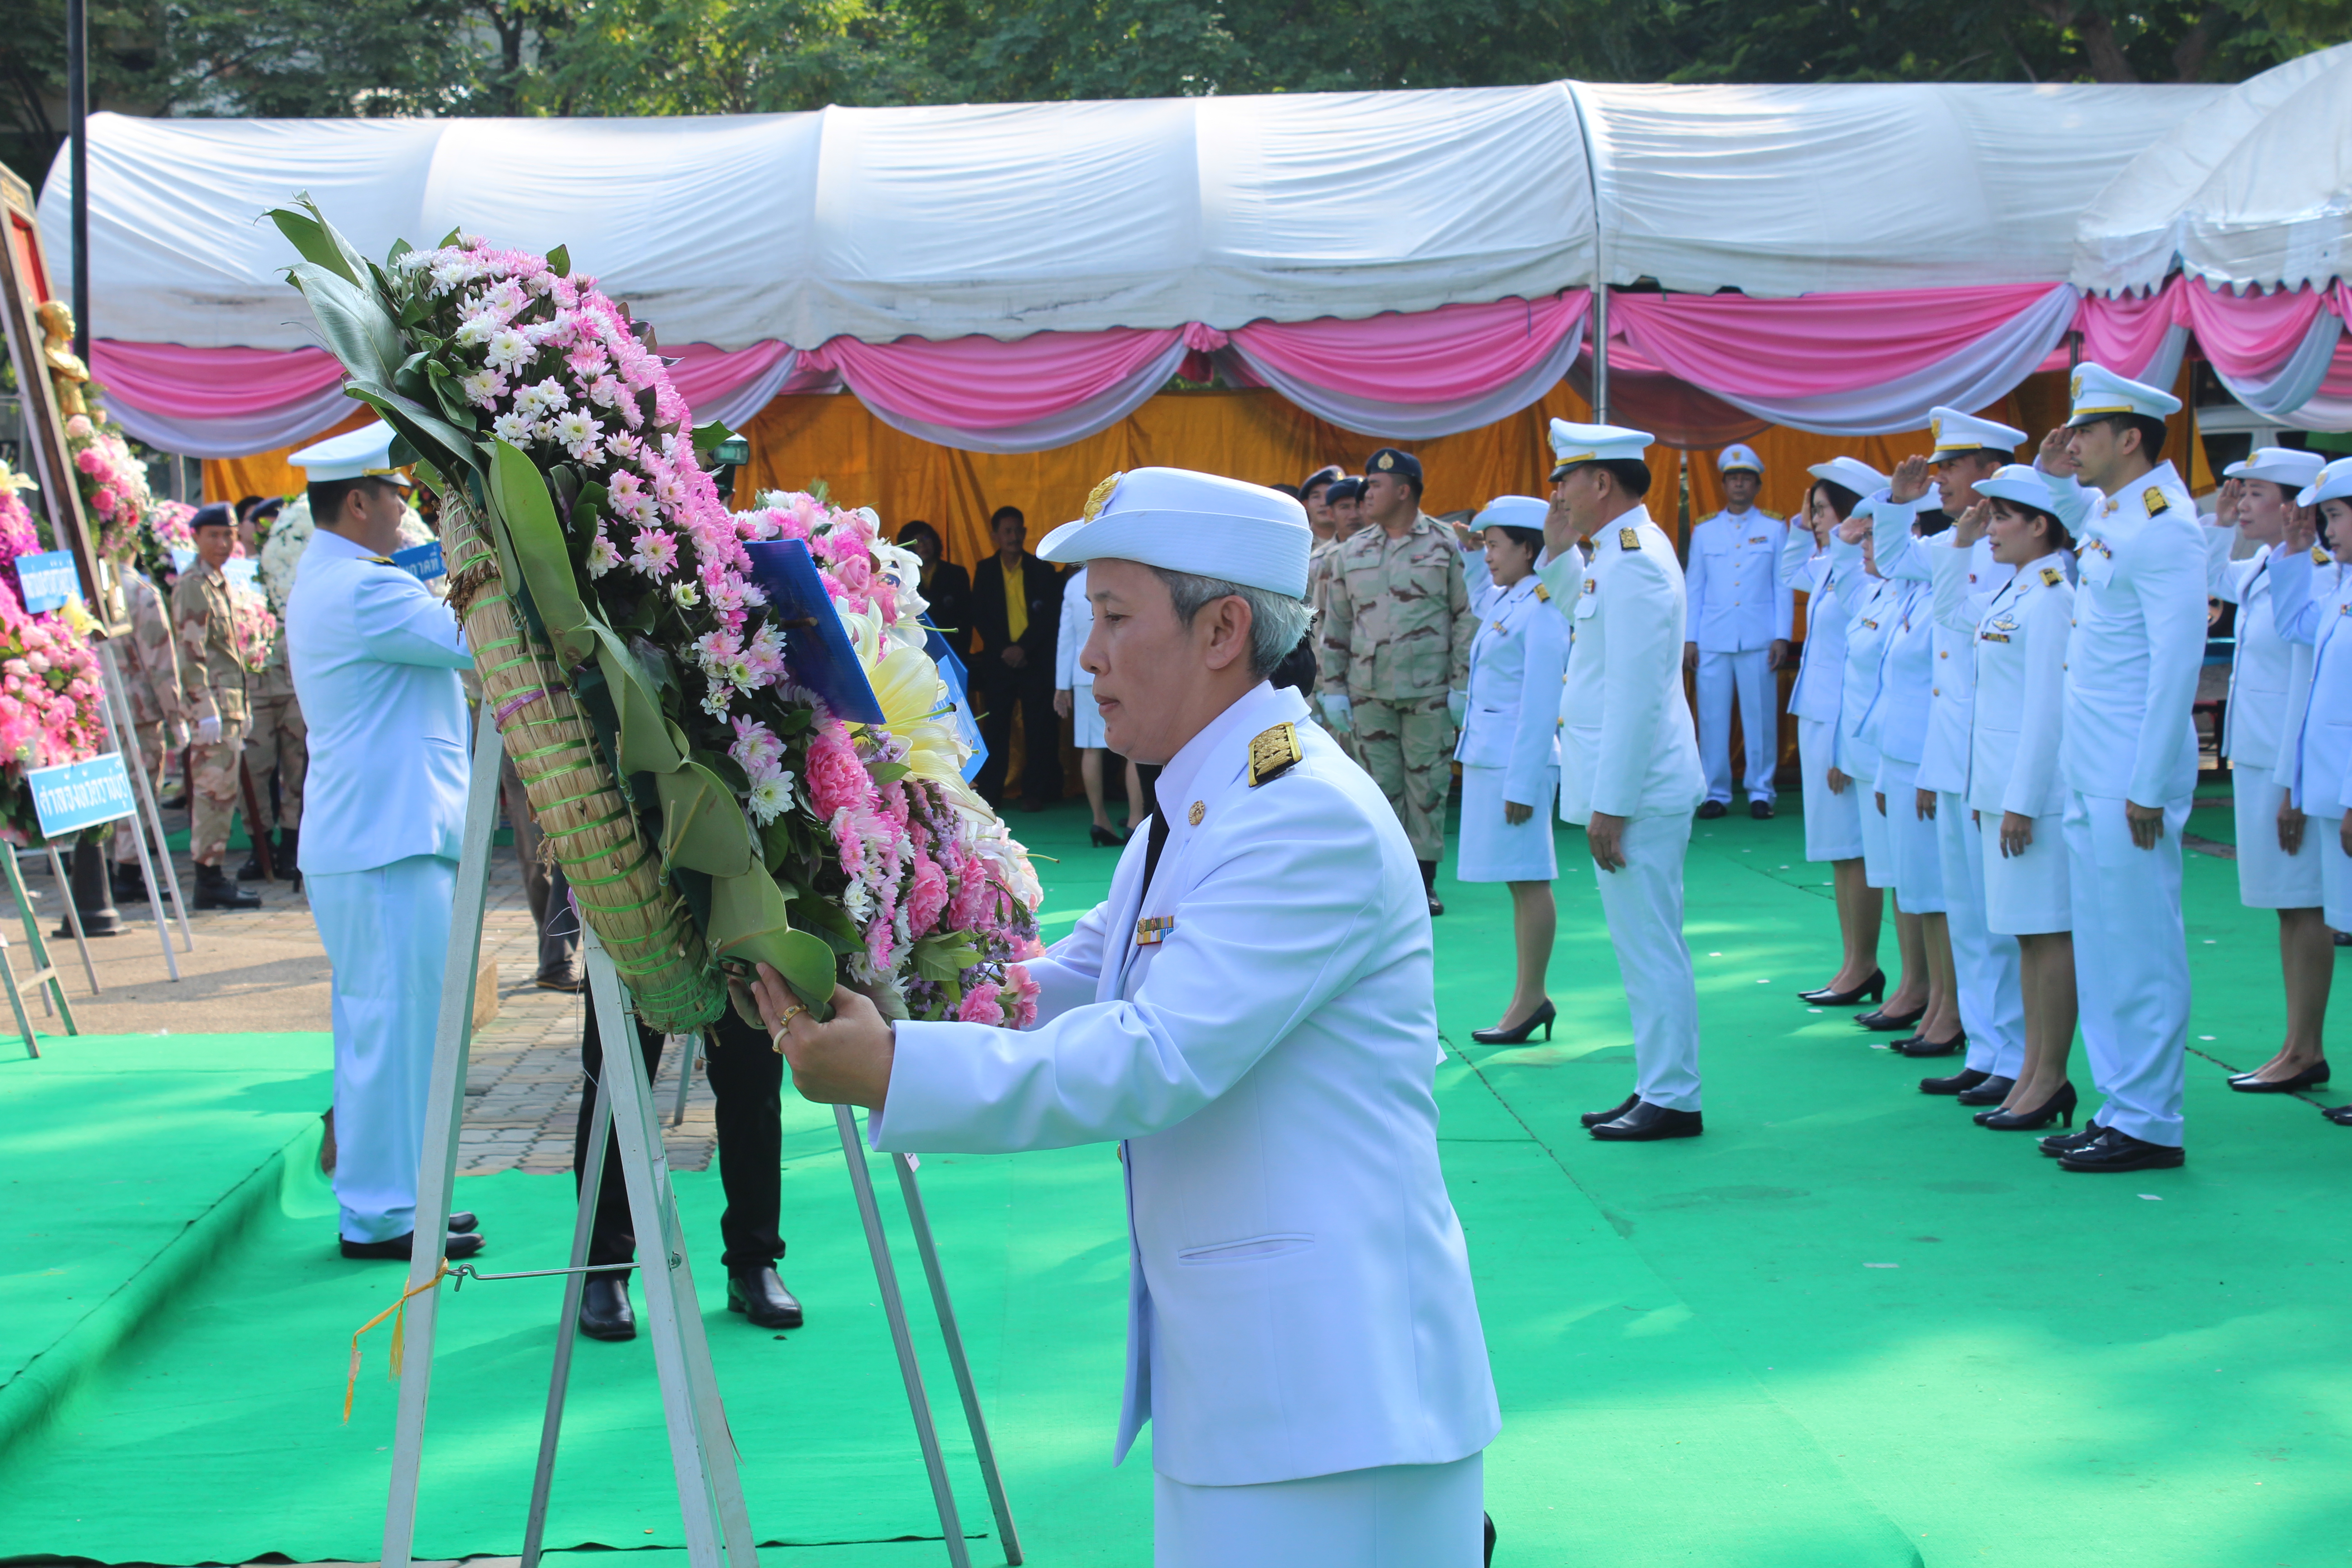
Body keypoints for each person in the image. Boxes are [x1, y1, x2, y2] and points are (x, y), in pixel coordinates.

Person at [753, 466, 1499, 1567]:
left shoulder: (1299, 816)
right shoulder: (1203, 800)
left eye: (1111, 616)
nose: (1088, 654)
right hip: (1260, 1388)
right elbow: (1060, 982)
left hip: (1338, 1403)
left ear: (1224, 630)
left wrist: (892, 1066)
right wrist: (879, 958)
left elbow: (1151, 1057)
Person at [284, 423, 484, 1261]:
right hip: (382, 840)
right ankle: (377, 1212)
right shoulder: (362, 588)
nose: (409, 514)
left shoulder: (346, 578)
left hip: (383, 836)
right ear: (358, 500)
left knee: (403, 1030)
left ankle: (407, 1196)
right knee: (385, 1029)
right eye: (401, 498)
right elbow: (479, 642)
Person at [2032, 365, 2205, 1174]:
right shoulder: (2116, 509)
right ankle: (2119, 1105)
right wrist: (2048, 472)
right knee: (2101, 945)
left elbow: (2176, 664)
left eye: (2085, 434)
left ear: (2128, 438)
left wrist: (2145, 782)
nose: (2072, 444)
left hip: (2127, 775)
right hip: (2090, 765)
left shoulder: (2166, 526)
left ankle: (2150, 1120)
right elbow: (2076, 516)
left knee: (2138, 946)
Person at [1536, 420, 1708, 1141]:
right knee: (1641, 945)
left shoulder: (1634, 561)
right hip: (1633, 786)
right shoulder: (1615, 552)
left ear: (1600, 482)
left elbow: (1637, 692)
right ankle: (1657, 1085)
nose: (1557, 492)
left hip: (1639, 791)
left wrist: (1611, 805)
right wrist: (1554, 552)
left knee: (1650, 945)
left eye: (1565, 479)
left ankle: (1673, 1096)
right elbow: (1589, 619)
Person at [1873, 414, 2030, 1098]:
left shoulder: (2024, 546)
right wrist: (1898, 502)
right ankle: (1990, 1051)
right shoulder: (1953, 542)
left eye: (1950, 467)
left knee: (2005, 918)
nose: (1936, 477)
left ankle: (2019, 1055)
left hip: (1997, 753)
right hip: (1953, 753)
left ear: (1989, 474)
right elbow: (1889, 556)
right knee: (1967, 913)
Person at [1950, 471, 2084, 1131]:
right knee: (2027, 937)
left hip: (2033, 798)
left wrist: (2023, 800)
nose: (1991, 527)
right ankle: (2032, 1071)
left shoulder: (2053, 595)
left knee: (2047, 932)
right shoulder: (2018, 587)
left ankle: (2049, 1076)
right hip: (2001, 790)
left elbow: (2046, 710)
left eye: (2002, 516)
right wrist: (1989, 791)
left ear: (2041, 524)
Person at [2207, 450, 2332, 1092]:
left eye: (2255, 493)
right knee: (2289, 908)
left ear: (2294, 506)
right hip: (2258, 761)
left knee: (2304, 905)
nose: (2243, 502)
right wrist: (2222, 521)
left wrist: (2293, 786)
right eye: (2240, 491)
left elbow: (2310, 687)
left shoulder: (2313, 573)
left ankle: (2305, 1049)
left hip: (2290, 770)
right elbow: (2203, 574)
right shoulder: (2263, 563)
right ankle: (2296, 1045)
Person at [572, 1008, 803, 1338]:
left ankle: (754, 1262)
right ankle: (604, 1270)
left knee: (754, 1086)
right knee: (613, 1092)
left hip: (735, 959)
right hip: (624, 958)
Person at [1316, 448, 1473, 915]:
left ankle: (1424, 884)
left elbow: (1464, 616)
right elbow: (1336, 623)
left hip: (1429, 692)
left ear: (1404, 490)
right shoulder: (1352, 552)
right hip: (1368, 694)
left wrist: (1461, 684)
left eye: (1377, 485)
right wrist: (1334, 688)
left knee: (1427, 789)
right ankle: (1387, 879)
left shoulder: (1445, 544)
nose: (1367, 492)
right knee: (1377, 789)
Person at [1455, 497, 1568, 1045]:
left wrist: (1523, 782)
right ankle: (1529, 996)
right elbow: (1480, 598)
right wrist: (1472, 553)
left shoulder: (1545, 607)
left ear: (1530, 549)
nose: (1490, 554)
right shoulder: (1511, 601)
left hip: (1515, 764)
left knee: (1529, 879)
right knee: (1518, 879)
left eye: (1496, 545)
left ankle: (1532, 998)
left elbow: (1542, 701)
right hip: (1491, 759)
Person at [1859, 481, 1961, 1056]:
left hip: (1926, 760)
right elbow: (1892, 689)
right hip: (1898, 758)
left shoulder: (1939, 594)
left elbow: (1943, 689)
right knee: (1918, 889)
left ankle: (1949, 1005)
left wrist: (1929, 766)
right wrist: (1882, 771)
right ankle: (1931, 996)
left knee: (1939, 894)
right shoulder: (1909, 595)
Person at [2266, 457, 2352, 1123]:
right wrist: (2296, 553)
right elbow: (2295, 626)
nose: (2330, 529)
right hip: (2328, 791)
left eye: (2337, 516)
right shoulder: (2342, 588)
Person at [1784, 459, 1886, 1009]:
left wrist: (1847, 742)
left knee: (1855, 850)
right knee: (1839, 851)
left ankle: (1864, 963)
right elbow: (1789, 573)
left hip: (1845, 722)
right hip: (1821, 716)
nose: (1816, 519)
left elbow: (1860, 663)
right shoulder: (1831, 564)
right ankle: (1853, 961)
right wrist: (1802, 527)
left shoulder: (1865, 571)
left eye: (1822, 509)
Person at [1684, 444, 1792, 819]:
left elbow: (1783, 585)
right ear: (1724, 485)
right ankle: (1715, 792)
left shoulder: (1775, 528)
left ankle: (1761, 792)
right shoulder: (1705, 529)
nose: (1739, 484)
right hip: (1713, 637)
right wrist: (1690, 638)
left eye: (1746, 478)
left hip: (1759, 638)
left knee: (1760, 717)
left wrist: (1783, 635)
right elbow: (1694, 586)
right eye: (1733, 479)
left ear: (1757, 485)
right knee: (1712, 719)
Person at [172, 503, 262, 911]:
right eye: (214, 535)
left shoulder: (218, 581)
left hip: (229, 706)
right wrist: (203, 707)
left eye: (228, 535)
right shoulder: (193, 583)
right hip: (212, 708)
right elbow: (190, 652)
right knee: (212, 795)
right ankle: (208, 880)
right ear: (195, 537)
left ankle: (213, 876)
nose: (224, 543)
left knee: (223, 795)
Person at [970, 505, 1064, 811]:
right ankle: (991, 792)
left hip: (1034, 660)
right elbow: (980, 616)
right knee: (997, 728)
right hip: (999, 662)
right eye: (1007, 531)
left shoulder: (1042, 570)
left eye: (1018, 530)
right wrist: (1005, 649)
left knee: (1039, 728)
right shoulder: (985, 570)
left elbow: (1049, 617)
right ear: (995, 536)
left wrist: (1023, 648)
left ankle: (1036, 792)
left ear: (1025, 533)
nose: (1013, 537)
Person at [108, 561, 188, 904]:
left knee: (109, 791)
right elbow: (160, 663)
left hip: (96, 707)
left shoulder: (82, 587)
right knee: (138, 790)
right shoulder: (140, 592)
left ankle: (109, 867)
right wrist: (176, 717)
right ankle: (128, 871)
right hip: (136, 707)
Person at [237, 495, 306, 885]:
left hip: (293, 683)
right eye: (258, 523)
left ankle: (291, 849)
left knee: (297, 770)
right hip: (256, 686)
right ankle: (258, 848)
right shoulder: (237, 573)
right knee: (257, 767)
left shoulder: (297, 568)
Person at [1056, 561, 1146, 845]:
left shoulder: (1072, 585)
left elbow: (1066, 640)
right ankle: (1136, 819)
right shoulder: (1124, 576)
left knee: (1091, 749)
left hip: (1084, 675)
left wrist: (1062, 686)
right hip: (1122, 668)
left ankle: (1099, 820)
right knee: (1134, 749)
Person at [896, 520, 972, 662]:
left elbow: (967, 619)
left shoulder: (957, 574)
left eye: (926, 539)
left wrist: (961, 654)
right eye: (915, 541)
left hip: (952, 649)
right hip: (916, 651)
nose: (922, 545)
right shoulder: (901, 578)